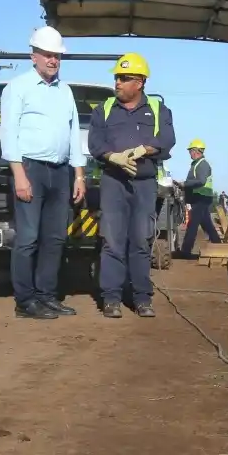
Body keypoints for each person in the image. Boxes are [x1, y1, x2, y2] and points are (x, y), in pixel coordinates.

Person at [0, 26, 86, 320]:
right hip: (30, 169)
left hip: (60, 172)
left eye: (57, 56)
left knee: (55, 238)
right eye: (48, 54)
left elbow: (74, 133)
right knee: (28, 238)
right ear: (33, 56)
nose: (53, 60)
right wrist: (19, 174)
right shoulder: (18, 87)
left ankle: (47, 296)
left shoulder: (65, 91)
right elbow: (9, 133)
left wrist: (79, 175)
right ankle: (25, 302)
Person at [87, 53, 176, 318]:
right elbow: (95, 143)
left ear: (139, 82)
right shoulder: (103, 109)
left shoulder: (159, 110)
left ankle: (142, 298)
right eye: (116, 77)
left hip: (144, 183)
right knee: (112, 241)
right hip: (113, 182)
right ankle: (111, 299)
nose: (117, 82)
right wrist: (112, 157)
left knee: (140, 240)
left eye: (124, 78)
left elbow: (167, 139)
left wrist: (144, 149)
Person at [173, 138, 223, 258]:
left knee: (192, 225)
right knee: (207, 225)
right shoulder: (197, 164)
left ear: (196, 151)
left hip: (201, 197)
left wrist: (184, 184)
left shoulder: (202, 164)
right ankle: (218, 245)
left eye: (190, 151)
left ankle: (186, 251)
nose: (189, 153)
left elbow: (200, 181)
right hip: (199, 197)